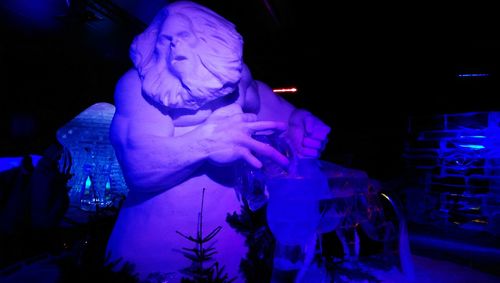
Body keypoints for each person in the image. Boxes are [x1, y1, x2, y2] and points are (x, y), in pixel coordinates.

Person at [105, 1, 331, 282]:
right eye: (166, 40)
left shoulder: (240, 83)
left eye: (183, 36)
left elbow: (279, 119)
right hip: (153, 258)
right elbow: (137, 165)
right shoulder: (138, 89)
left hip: (239, 255)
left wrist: (298, 124)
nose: (174, 47)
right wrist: (205, 143)